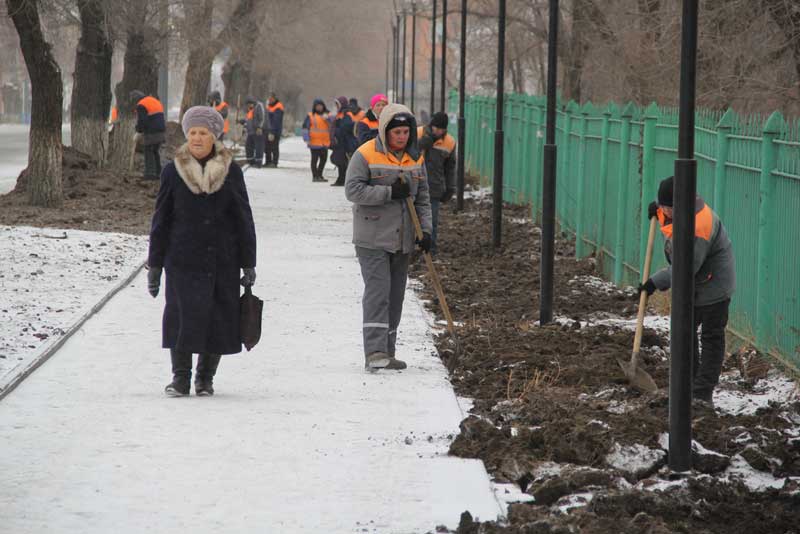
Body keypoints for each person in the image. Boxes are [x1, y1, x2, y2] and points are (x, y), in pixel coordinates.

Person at [147, 105, 257, 397]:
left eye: (203, 133)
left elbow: (243, 217)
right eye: (193, 132)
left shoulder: (230, 171)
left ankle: (205, 378)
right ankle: (180, 378)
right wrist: (155, 264)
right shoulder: (173, 171)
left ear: (214, 136)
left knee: (218, 318)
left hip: (223, 259)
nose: (197, 138)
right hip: (182, 258)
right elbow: (161, 219)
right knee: (180, 317)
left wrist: (248, 262)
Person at [345, 103, 432, 372]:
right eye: (397, 132)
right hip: (372, 238)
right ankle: (375, 351)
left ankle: (388, 350)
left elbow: (424, 199)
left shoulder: (416, 158)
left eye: (406, 132)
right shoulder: (366, 154)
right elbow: (353, 190)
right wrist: (387, 193)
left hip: (403, 239)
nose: (402, 137)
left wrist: (426, 232)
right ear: (385, 131)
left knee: (395, 297)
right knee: (378, 294)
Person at [640, 176, 736, 407]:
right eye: (662, 206)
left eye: (667, 208)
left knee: (711, 339)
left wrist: (654, 282)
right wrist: (661, 214)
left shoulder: (700, 227)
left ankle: (702, 393)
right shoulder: (684, 209)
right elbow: (675, 226)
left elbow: (685, 268)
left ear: (680, 204)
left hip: (714, 288)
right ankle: (689, 384)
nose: (664, 210)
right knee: (685, 334)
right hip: (695, 286)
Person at [417, 112, 456, 255]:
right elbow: (405, 152)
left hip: (434, 186)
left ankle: (430, 249)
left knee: (431, 220)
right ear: (431, 125)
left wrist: (450, 187)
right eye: (436, 127)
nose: (438, 131)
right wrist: (421, 144)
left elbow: (450, 167)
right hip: (414, 184)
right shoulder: (418, 133)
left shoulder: (450, 142)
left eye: (441, 129)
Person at [130, 90, 166, 180]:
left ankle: (150, 174)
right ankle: (158, 173)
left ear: (135, 100)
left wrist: (138, 131)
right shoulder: (153, 100)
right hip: (161, 131)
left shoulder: (141, 105)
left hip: (151, 132)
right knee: (155, 152)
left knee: (148, 151)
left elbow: (143, 120)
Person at [302, 98, 332, 182]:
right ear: (314, 107)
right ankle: (315, 176)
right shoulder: (310, 115)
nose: (319, 107)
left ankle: (319, 175)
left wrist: (328, 119)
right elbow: (305, 127)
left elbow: (333, 124)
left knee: (324, 160)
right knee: (314, 160)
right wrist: (306, 138)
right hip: (314, 142)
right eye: (317, 106)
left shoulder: (328, 115)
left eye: (320, 106)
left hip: (324, 142)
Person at [330, 96, 358, 187]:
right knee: (338, 160)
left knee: (340, 161)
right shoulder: (341, 113)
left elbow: (345, 127)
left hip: (344, 142)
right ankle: (341, 179)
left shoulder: (347, 114)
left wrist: (336, 131)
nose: (336, 106)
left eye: (337, 104)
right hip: (340, 142)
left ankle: (342, 179)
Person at [239, 96, 264, 168]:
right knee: (248, 146)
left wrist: (259, 127)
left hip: (257, 131)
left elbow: (262, 118)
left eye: (249, 104)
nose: (248, 106)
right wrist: (242, 122)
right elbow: (248, 121)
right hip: (251, 132)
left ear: (252, 103)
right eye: (247, 105)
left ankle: (258, 162)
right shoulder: (250, 110)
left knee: (258, 147)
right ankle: (251, 161)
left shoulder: (259, 106)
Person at [264, 93, 284, 167]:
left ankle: (274, 162)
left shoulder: (278, 107)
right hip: (268, 130)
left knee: (274, 147)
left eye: (271, 99)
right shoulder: (269, 106)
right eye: (269, 99)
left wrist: (272, 132)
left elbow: (276, 121)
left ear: (274, 99)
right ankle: (268, 161)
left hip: (275, 131)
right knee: (267, 147)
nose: (270, 100)